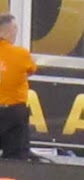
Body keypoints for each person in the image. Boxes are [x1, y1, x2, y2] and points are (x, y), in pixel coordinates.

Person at [0, 15, 37, 160]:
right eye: (15, 29)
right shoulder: (21, 54)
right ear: (10, 30)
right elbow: (31, 70)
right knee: (16, 161)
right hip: (13, 114)